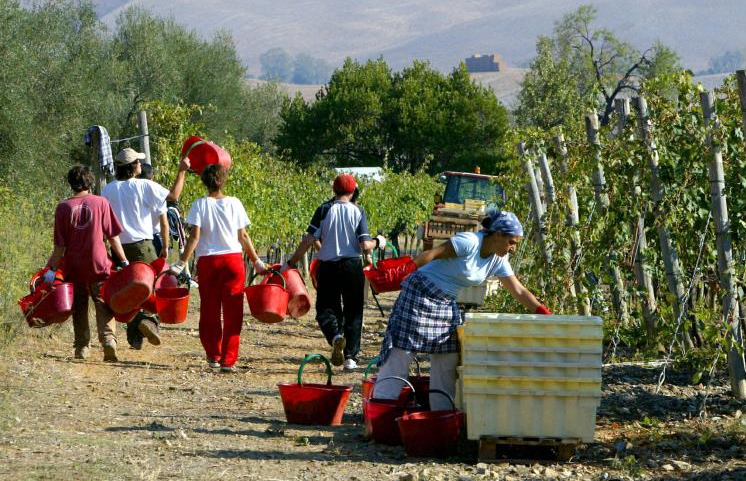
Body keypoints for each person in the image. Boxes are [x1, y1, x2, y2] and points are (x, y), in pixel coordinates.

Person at [372, 209, 551, 410]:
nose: (513, 249)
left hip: (446, 302)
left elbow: (518, 290)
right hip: (419, 293)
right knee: (402, 351)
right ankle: (382, 407)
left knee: (448, 356)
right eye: (512, 242)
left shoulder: (498, 260)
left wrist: (543, 314)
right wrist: (404, 269)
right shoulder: (470, 242)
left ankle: (441, 412)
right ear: (498, 234)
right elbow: (431, 254)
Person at [286, 174, 385, 372]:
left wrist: (291, 262)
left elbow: (308, 239)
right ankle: (350, 358)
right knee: (354, 311)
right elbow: (365, 244)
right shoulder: (358, 211)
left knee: (326, 309)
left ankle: (335, 337)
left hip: (329, 266)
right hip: (352, 266)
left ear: (334, 190)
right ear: (353, 191)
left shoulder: (323, 209)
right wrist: (379, 241)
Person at [175, 163, 266, 373]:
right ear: (223, 180)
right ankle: (228, 360)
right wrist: (257, 262)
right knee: (233, 312)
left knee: (209, 310)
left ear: (204, 182)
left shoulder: (199, 205)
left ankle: (213, 356)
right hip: (233, 261)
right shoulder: (235, 203)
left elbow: (194, 237)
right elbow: (243, 236)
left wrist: (181, 263)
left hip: (209, 262)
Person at [101, 147, 190, 347]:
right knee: (153, 289)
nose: (141, 164)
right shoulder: (144, 186)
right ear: (133, 167)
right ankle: (147, 321)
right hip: (143, 246)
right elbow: (174, 196)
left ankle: (134, 338)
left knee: (129, 291)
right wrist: (182, 171)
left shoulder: (108, 189)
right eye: (138, 162)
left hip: (118, 249)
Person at [44, 165, 130, 362]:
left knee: (79, 305)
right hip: (99, 262)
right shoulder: (101, 203)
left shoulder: (63, 208)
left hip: (75, 265)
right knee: (103, 301)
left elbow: (59, 248)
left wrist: (50, 270)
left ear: (71, 183)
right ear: (90, 182)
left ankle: (82, 347)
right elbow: (113, 237)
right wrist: (124, 261)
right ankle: (108, 340)